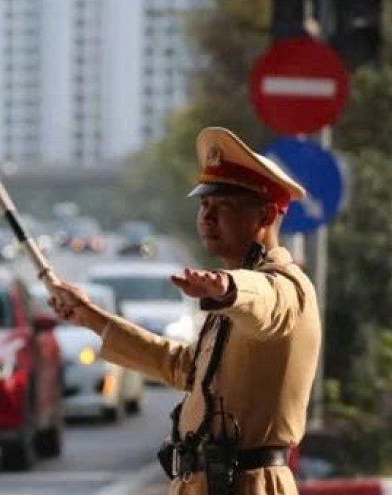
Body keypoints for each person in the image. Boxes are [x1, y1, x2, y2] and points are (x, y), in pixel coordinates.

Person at [48, 127, 321, 495]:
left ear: (267, 216)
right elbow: (185, 368)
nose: (207, 218)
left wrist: (227, 289)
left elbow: (265, 302)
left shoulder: (286, 288)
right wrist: (91, 318)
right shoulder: (232, 298)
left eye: (224, 207)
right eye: (204, 205)